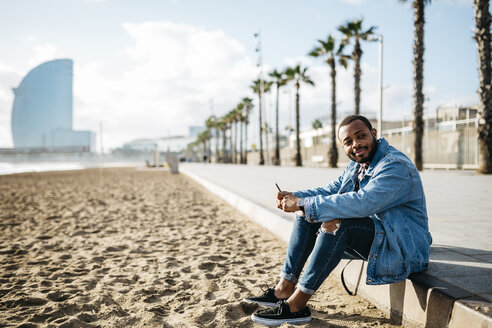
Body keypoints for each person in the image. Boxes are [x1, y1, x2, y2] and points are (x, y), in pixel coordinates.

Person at [243, 115, 432, 326]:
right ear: (343, 146)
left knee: (334, 223)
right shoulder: (358, 164)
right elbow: (331, 190)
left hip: (403, 245)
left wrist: (305, 203)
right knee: (306, 214)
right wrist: (297, 197)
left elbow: (363, 203)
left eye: (360, 136)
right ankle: (283, 289)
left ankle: (296, 307)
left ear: (374, 134)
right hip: (380, 234)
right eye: (348, 142)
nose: (356, 144)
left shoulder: (394, 165)